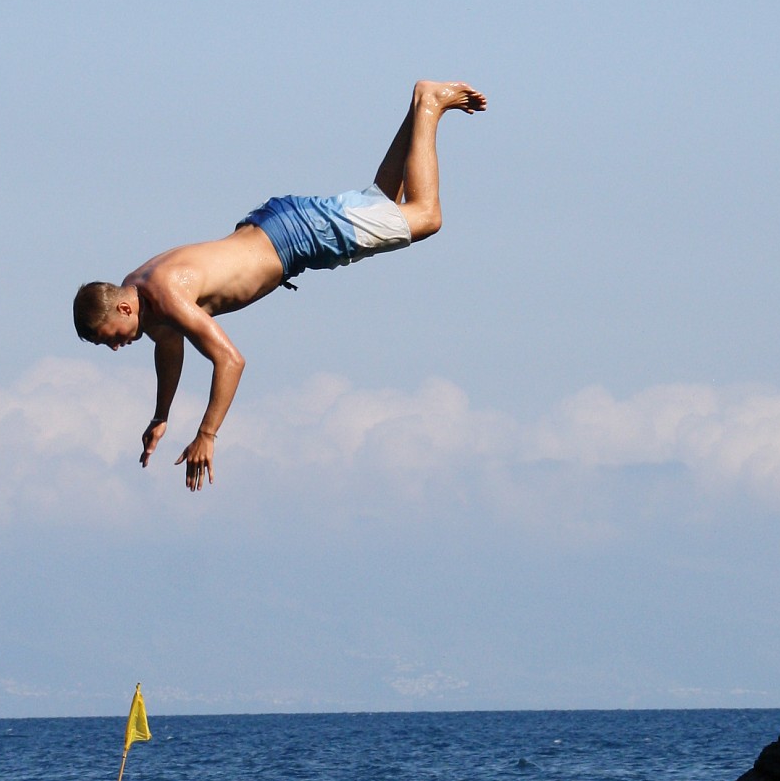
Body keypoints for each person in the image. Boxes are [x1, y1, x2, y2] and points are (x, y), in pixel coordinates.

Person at [73, 81, 486, 491]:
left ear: (122, 310)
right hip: (273, 226)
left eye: (108, 338)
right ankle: (419, 106)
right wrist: (161, 415)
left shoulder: (163, 293)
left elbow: (230, 361)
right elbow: (168, 342)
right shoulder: (139, 289)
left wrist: (207, 434)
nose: (114, 348)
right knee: (381, 200)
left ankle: (428, 104)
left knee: (425, 216)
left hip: (296, 236)